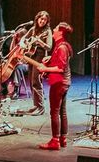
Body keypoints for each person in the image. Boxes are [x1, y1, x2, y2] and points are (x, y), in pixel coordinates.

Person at [28, 22, 74, 150]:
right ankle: (62, 139)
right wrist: (49, 60)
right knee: (62, 112)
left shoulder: (61, 48)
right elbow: (59, 63)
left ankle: (55, 141)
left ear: (60, 32)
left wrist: (44, 68)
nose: (53, 30)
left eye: (55, 28)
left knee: (55, 112)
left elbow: (60, 68)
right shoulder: (62, 45)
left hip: (60, 83)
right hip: (64, 82)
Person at [15, 11, 52, 115]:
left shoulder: (47, 31)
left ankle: (40, 107)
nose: (42, 21)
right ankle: (35, 105)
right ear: (37, 19)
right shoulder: (33, 29)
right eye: (41, 19)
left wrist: (40, 42)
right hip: (31, 56)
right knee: (31, 81)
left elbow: (49, 47)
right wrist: (24, 44)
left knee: (36, 81)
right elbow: (23, 39)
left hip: (40, 57)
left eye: (45, 20)